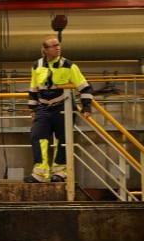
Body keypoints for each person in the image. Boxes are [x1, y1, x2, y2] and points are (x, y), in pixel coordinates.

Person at [25, 36, 93, 183]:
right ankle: (40, 172)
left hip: (63, 107)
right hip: (43, 108)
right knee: (38, 136)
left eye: (58, 45)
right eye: (54, 46)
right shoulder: (37, 65)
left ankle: (60, 172)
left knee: (61, 140)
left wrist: (86, 106)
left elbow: (84, 87)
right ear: (45, 49)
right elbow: (33, 88)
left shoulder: (69, 65)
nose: (58, 48)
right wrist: (32, 108)